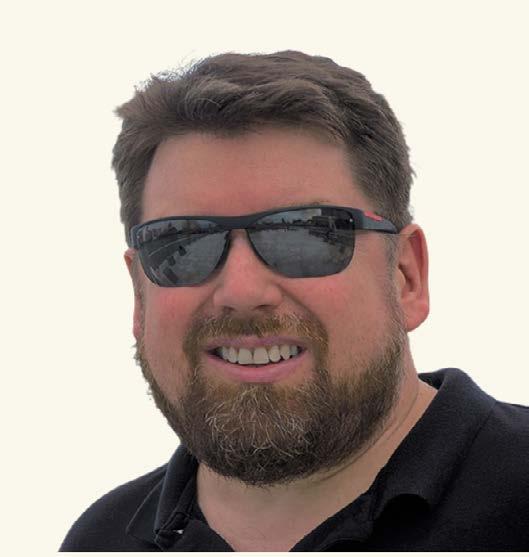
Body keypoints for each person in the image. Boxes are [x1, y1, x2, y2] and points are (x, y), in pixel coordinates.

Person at [60, 50, 529, 552]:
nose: (242, 292)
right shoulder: (99, 541)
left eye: (304, 233)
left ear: (406, 276)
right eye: (183, 243)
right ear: (139, 294)